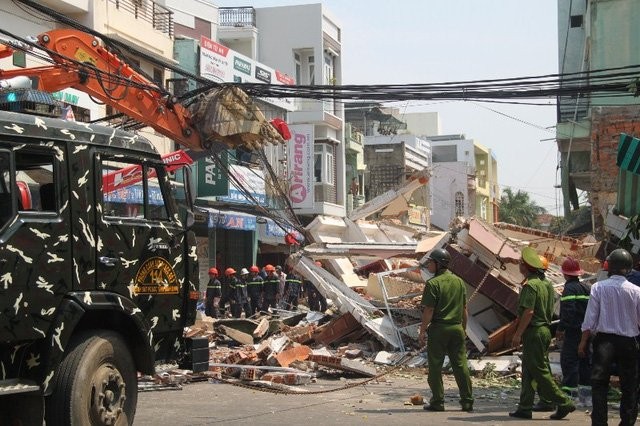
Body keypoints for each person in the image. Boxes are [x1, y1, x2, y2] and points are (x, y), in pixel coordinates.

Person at [509, 247, 575, 420]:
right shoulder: (545, 284)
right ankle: (525, 407)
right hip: (544, 331)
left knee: (538, 370)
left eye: (521, 263)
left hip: (534, 332)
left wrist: (517, 334)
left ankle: (564, 402)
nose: (519, 265)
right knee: (529, 369)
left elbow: (528, 312)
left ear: (526, 267)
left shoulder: (530, 285)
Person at [579, 248, 640, 426]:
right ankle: (627, 423)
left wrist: (583, 342)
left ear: (609, 267)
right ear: (628, 268)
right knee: (630, 386)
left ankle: (599, 423)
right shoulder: (637, 291)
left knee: (599, 384)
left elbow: (590, 319)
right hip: (629, 342)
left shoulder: (598, 288)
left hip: (604, 342)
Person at [418, 248, 474, 413]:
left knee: (435, 366)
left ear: (439, 264)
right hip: (456, 328)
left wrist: (422, 331)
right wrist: (463, 329)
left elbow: (429, 310)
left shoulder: (433, 283)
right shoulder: (458, 282)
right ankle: (467, 402)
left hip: (439, 329)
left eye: (431, 261)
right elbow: (464, 309)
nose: (428, 264)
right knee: (461, 366)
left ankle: (437, 402)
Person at [556, 257, 591, 401]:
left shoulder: (569, 288)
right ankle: (585, 396)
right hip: (586, 332)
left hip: (574, 331)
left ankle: (569, 395)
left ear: (565, 273)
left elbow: (568, 312)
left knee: (569, 361)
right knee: (584, 362)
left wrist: (561, 328)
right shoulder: (586, 287)